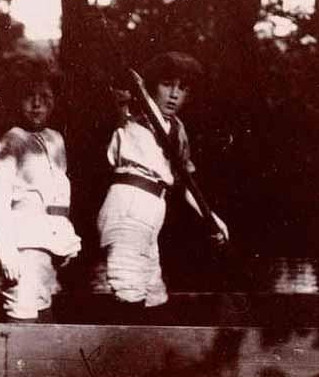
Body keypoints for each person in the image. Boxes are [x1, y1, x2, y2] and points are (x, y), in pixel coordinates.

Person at [97, 51, 229, 312]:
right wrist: (136, 84)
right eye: (167, 84)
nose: (174, 94)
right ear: (151, 85)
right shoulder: (135, 111)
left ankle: (148, 349)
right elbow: (124, 89)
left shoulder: (177, 129)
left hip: (152, 212)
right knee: (128, 288)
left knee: (154, 295)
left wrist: (212, 218)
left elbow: (187, 182)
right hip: (127, 207)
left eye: (182, 88)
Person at [0, 68, 81, 322]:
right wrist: (5, 251)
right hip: (22, 243)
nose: (37, 103)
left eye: (45, 96)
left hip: (48, 244)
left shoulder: (56, 140)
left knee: (43, 311)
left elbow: (59, 196)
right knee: (22, 312)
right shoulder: (11, 141)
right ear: (17, 100)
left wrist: (65, 238)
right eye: (29, 96)